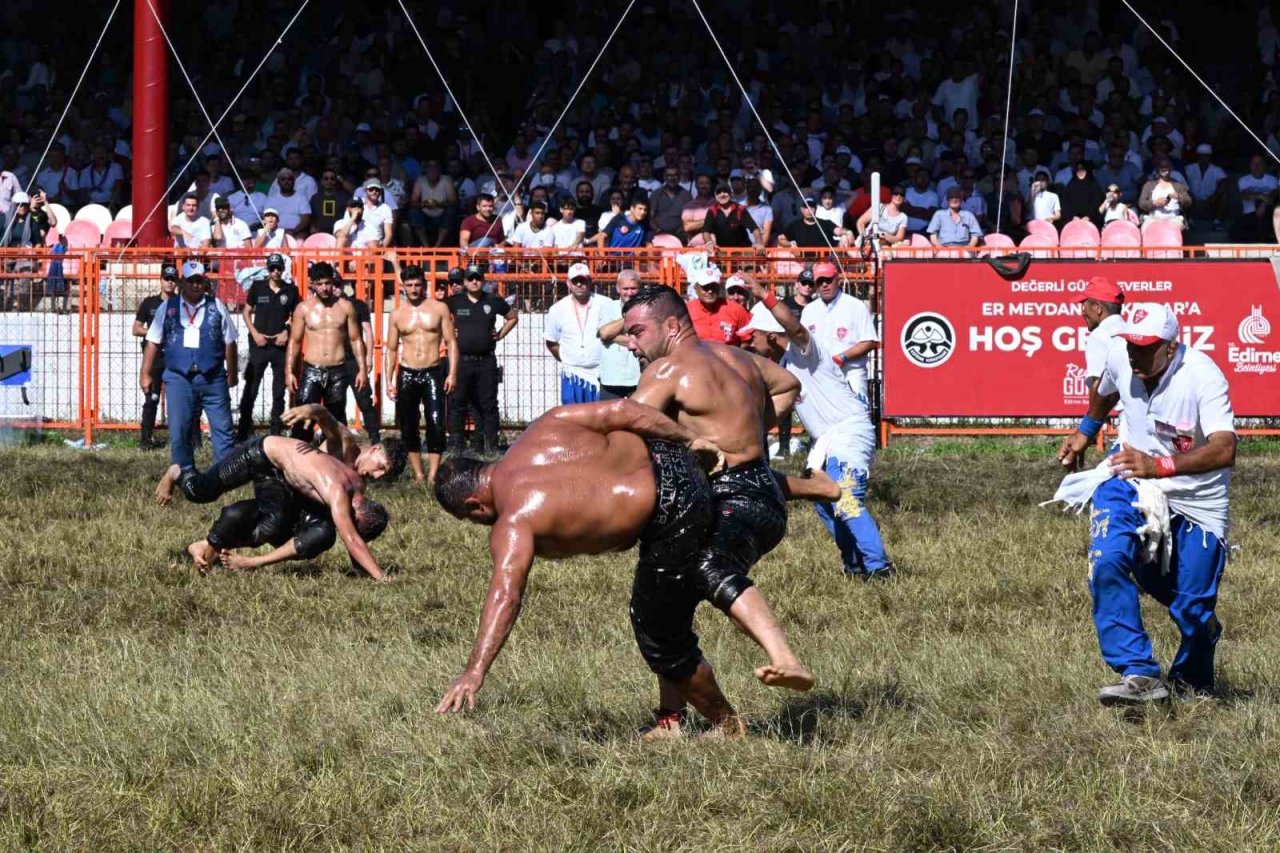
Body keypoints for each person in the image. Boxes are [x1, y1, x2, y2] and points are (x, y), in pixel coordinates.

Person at [435, 403, 825, 734]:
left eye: (472, 519)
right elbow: (625, 411)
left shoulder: (513, 521)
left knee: (660, 634)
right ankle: (670, 720)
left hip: (671, 514)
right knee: (655, 604)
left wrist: (475, 670)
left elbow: (507, 594)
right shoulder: (547, 424)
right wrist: (687, 439)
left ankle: (727, 725)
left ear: (474, 504)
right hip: (671, 457)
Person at [552, 285, 809, 735]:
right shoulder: (738, 357)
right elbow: (789, 384)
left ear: (672, 326)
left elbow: (625, 428)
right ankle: (671, 718)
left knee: (709, 567)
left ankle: (783, 657)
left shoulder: (666, 369)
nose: (630, 343)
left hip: (731, 495)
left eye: (636, 332)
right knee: (665, 599)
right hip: (761, 489)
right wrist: (750, 429)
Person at [1054, 303, 1236, 705]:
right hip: (1129, 478)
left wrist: (1160, 465)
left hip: (1197, 501)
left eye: (1146, 347)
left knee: (1192, 610)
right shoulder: (1123, 357)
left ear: (1171, 348)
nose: (1135, 354)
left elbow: (1225, 449)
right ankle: (1138, 671)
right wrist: (1086, 431)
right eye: (1132, 345)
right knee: (1106, 559)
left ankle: (1192, 680)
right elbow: (1104, 391)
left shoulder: (1203, 376)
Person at [740, 279, 893, 579]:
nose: (749, 342)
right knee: (824, 503)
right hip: (825, 440)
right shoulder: (783, 366)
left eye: (753, 336)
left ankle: (880, 568)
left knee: (846, 498)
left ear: (771, 335)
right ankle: (854, 565)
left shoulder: (805, 353)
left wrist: (765, 296)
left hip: (848, 430)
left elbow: (796, 329)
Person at [154, 412, 404, 582]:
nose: (378, 476)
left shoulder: (359, 485)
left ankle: (209, 547)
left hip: (284, 477)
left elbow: (352, 535)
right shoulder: (342, 473)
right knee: (202, 491)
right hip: (262, 455)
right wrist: (381, 577)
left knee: (309, 530)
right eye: (380, 467)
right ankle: (177, 473)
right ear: (373, 449)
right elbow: (351, 537)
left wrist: (360, 568)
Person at [139, 261, 238, 471]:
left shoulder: (216, 305)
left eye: (199, 281)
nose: (195, 285)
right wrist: (145, 373)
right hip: (178, 377)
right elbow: (153, 341)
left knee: (223, 428)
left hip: (212, 377)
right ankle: (183, 473)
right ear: (182, 282)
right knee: (179, 429)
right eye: (191, 281)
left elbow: (230, 341)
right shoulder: (167, 307)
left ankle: (225, 474)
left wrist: (232, 374)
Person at [386, 265, 457, 485]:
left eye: (417, 285)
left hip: (432, 370)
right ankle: (418, 474)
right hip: (407, 372)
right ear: (403, 287)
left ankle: (434, 474)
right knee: (408, 424)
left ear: (424, 285)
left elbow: (452, 342)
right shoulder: (397, 314)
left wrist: (452, 373)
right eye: (410, 285)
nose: (414, 289)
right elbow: (390, 349)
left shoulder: (439, 309)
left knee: (436, 422)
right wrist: (388, 381)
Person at [285, 262, 366, 438]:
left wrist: (363, 369)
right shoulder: (304, 308)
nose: (324, 288)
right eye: (320, 283)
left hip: (337, 370)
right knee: (303, 421)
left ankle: (334, 462)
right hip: (312, 369)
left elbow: (356, 339)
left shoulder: (345, 307)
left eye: (327, 283)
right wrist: (289, 371)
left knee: (335, 423)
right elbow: (295, 341)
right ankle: (299, 462)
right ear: (312, 284)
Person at [445, 265, 518, 454]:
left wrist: (500, 334)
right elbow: (439, 317)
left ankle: (490, 445)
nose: (474, 281)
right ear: (465, 282)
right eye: (470, 278)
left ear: (483, 280)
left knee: (488, 404)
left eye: (478, 278)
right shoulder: (454, 301)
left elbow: (512, 317)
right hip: (461, 361)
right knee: (458, 403)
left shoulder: (492, 300)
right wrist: (449, 330)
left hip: (486, 361)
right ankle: (456, 446)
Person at [237, 252, 299, 440]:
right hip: (259, 343)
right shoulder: (258, 287)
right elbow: (246, 312)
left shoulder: (291, 290)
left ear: (283, 269)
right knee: (251, 388)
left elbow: (298, 317)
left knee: (278, 391)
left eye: (278, 268)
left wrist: (287, 331)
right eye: (272, 268)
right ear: (267, 269)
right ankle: (244, 430)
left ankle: (275, 432)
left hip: (279, 345)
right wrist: (255, 333)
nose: (275, 271)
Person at [799, 262, 880, 398]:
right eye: (820, 281)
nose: (824, 285)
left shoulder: (856, 306)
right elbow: (801, 341)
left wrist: (842, 357)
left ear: (838, 280)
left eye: (828, 280)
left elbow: (870, 341)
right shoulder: (809, 310)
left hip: (851, 373)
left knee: (856, 415)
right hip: (819, 375)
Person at [132, 263, 187, 449]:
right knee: (152, 399)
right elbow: (136, 328)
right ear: (161, 280)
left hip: (176, 357)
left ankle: (188, 441)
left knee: (182, 400)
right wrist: (154, 332)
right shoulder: (150, 303)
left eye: (173, 279)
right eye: (167, 279)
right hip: (154, 358)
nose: (170, 283)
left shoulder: (182, 303)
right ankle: (146, 440)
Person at [545, 262, 610, 403]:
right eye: (575, 281)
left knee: (599, 420)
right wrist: (568, 358)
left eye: (583, 280)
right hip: (572, 374)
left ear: (590, 281)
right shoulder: (557, 309)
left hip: (600, 372)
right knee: (572, 419)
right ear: (568, 283)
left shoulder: (605, 304)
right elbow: (551, 342)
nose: (579, 284)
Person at [340, 279, 381, 444]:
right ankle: (340, 437)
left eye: (339, 285)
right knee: (336, 401)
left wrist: (369, 357)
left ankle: (374, 437)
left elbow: (368, 332)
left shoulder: (358, 305)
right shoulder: (330, 306)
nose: (336, 289)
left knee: (364, 400)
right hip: (336, 360)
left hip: (355, 361)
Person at [595, 268, 643, 399]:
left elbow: (645, 341)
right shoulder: (608, 307)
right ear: (618, 289)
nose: (629, 293)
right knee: (609, 419)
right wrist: (629, 315)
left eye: (633, 288)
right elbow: (603, 333)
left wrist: (612, 337)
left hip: (638, 378)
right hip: (611, 378)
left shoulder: (647, 309)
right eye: (625, 289)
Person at [685, 265, 752, 345]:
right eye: (705, 287)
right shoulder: (686, 311)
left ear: (719, 288)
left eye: (714, 287)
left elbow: (747, 341)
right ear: (696, 289)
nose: (710, 291)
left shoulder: (737, 310)